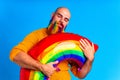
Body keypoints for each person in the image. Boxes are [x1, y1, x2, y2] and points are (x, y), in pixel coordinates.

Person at [10, 7, 95, 80]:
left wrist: (90, 60)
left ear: (67, 23)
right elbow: (15, 54)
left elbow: (80, 75)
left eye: (66, 19)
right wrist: (42, 67)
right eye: (59, 16)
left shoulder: (69, 42)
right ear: (52, 15)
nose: (61, 21)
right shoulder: (37, 35)